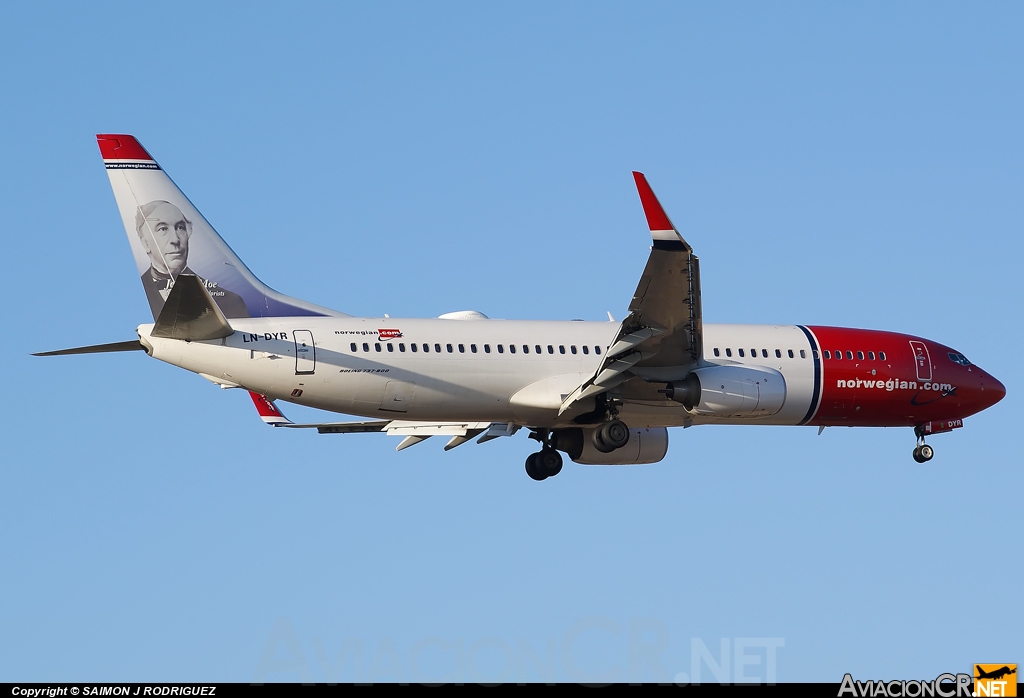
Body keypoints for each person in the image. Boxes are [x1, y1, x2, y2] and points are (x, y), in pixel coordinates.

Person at [135, 200, 249, 318]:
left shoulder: (230, 302)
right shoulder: (136, 297)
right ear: (145, 243)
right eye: (163, 229)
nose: (175, 239)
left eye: (180, 228)